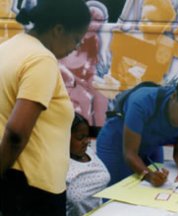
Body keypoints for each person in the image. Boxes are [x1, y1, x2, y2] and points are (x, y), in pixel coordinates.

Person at [0, 0, 91, 215]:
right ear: (58, 29)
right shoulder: (42, 59)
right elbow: (16, 133)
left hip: (16, 184)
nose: (75, 48)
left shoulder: (8, 47)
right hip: (34, 190)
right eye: (76, 40)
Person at [96, 66, 178, 187]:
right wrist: (148, 175)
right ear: (174, 96)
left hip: (151, 145)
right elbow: (130, 153)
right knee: (117, 191)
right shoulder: (141, 102)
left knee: (157, 188)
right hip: (116, 143)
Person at [66, 113, 110, 216]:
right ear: (65, 137)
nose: (86, 142)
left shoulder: (89, 152)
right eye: (80, 138)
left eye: (87, 137)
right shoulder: (61, 165)